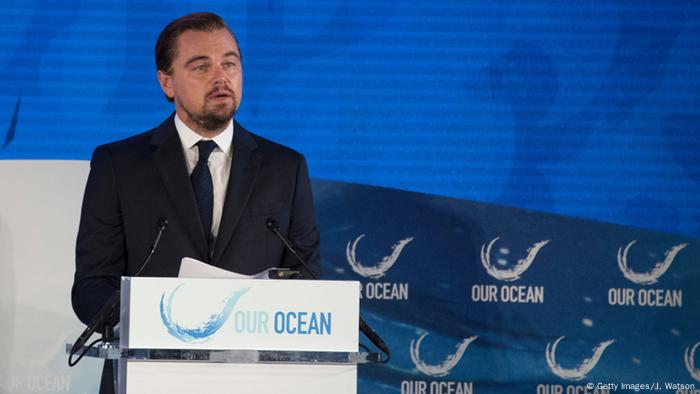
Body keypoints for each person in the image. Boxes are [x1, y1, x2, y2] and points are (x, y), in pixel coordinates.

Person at [71, 12, 320, 393]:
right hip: (148, 376)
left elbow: (307, 280)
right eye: (201, 66)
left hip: (254, 379)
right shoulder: (119, 165)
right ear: (167, 82)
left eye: (230, 63)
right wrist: (147, 319)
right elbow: (91, 287)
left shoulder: (285, 168)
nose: (221, 77)